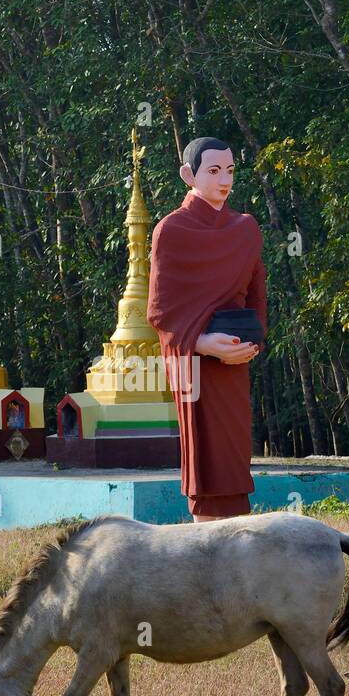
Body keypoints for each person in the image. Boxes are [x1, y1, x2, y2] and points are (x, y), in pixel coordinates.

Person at [147, 137, 267, 522]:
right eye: (213, 171)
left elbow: (257, 296)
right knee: (205, 458)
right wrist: (201, 343)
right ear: (189, 175)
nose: (223, 180)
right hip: (193, 360)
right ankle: (206, 544)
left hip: (233, 356)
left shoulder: (245, 228)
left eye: (230, 170)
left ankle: (236, 544)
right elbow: (160, 311)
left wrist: (252, 343)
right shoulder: (171, 230)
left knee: (233, 451)